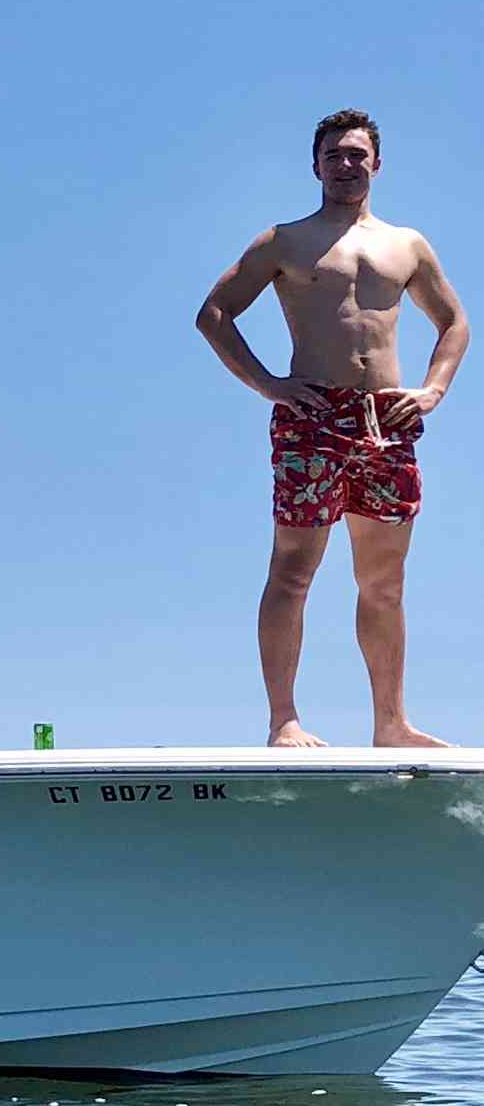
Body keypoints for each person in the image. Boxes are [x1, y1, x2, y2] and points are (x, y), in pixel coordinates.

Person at [196, 108, 470, 748]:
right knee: (293, 569)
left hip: (386, 422)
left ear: (377, 162)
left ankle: (391, 723)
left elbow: (454, 322)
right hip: (312, 418)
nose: (347, 165)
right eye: (335, 155)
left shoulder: (407, 245)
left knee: (384, 580)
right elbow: (214, 314)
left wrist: (432, 389)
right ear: (315, 165)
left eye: (357, 154)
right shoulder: (284, 241)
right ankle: (283, 720)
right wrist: (269, 385)